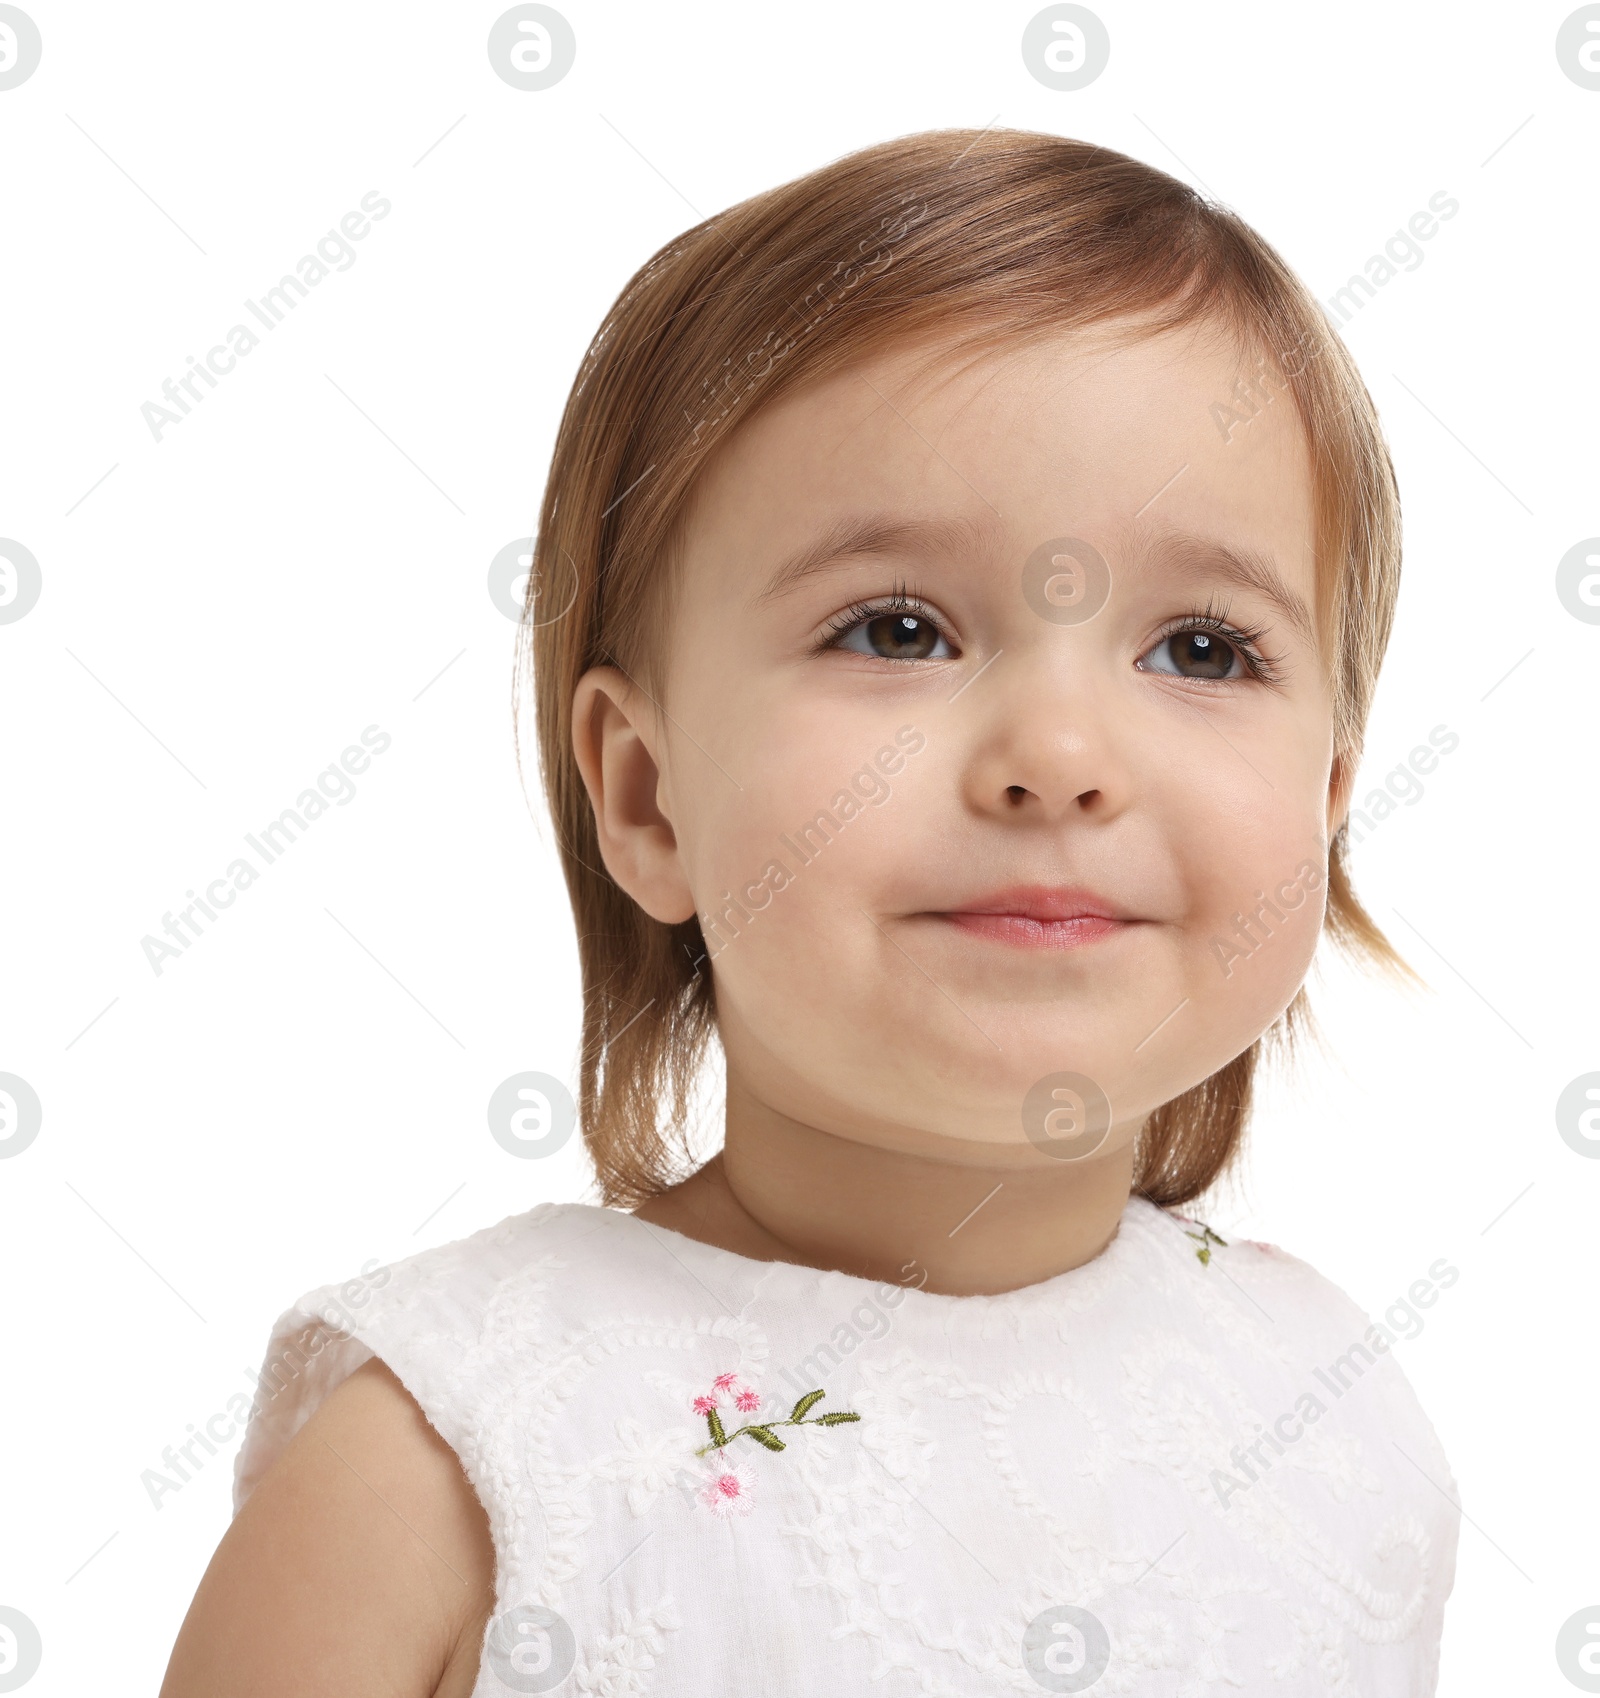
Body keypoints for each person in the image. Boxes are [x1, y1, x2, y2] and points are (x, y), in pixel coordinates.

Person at [159, 127, 1459, 1695]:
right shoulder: (450, 1472)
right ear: (647, 798)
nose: (1056, 759)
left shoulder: (1319, 1402)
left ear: (1326, 800)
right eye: (898, 626)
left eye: (1200, 649)